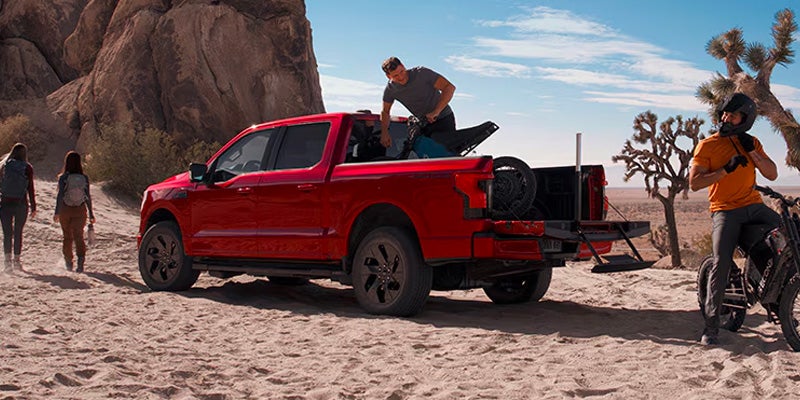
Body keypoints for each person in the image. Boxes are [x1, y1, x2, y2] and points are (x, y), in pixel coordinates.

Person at [689, 93, 780, 346]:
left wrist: (752, 152)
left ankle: (776, 301)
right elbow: (694, 183)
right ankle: (711, 328)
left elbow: (772, 174)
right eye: (725, 114)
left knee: (788, 235)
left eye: (733, 115)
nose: (726, 119)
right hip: (725, 210)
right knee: (720, 263)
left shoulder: (752, 142)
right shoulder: (707, 145)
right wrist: (724, 170)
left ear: (745, 119)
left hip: (754, 207)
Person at [380, 56, 456, 148]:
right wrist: (384, 132)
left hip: (444, 119)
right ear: (388, 76)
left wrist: (436, 111)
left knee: (447, 152)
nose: (401, 77)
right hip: (424, 124)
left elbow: (449, 87)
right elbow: (385, 112)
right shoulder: (390, 90)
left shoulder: (421, 73)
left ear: (403, 66)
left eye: (402, 71)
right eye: (395, 76)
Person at [54, 151, 95, 273]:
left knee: (67, 237)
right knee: (79, 236)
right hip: (80, 210)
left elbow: (60, 195)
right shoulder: (84, 178)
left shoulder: (63, 178)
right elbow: (87, 196)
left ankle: (69, 263)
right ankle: (80, 263)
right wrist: (91, 213)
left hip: (65, 210)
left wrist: (57, 212)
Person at [0, 143, 37, 269]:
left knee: (7, 233)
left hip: (5, 202)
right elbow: (30, 188)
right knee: (18, 232)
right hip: (21, 203)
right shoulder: (27, 167)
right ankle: (16, 261)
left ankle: (7, 262)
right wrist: (33, 207)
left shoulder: (4, 165)